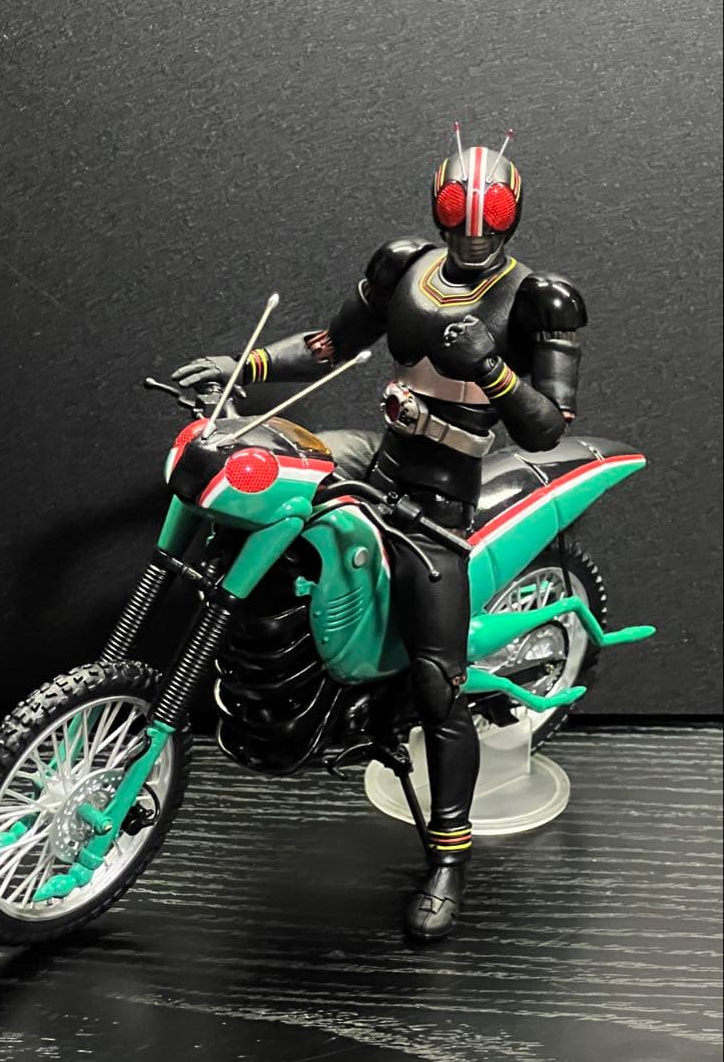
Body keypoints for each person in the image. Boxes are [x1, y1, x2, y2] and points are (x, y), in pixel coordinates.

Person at [172, 128, 586, 941]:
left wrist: (492, 368)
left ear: (513, 215)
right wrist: (243, 369)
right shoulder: (403, 265)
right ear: (437, 207)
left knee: (439, 684)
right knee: (257, 469)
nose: (472, 230)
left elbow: (545, 428)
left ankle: (448, 857)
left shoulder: (540, 299)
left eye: (490, 216)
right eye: (458, 211)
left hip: (442, 492)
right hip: (378, 452)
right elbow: (328, 346)